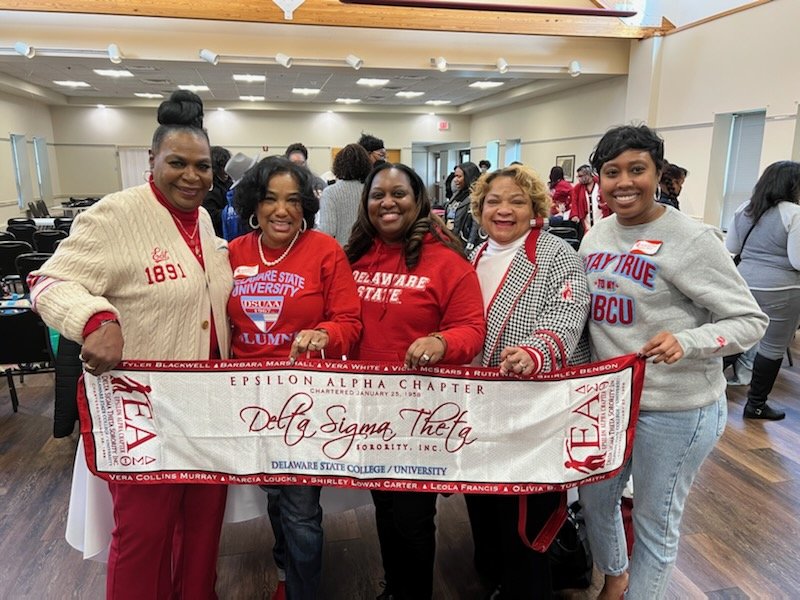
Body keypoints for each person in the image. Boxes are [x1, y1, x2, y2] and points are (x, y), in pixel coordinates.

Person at [28, 90, 234, 599]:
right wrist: (96, 318)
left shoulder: (205, 220)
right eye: (178, 163)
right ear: (151, 161)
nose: (192, 176)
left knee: (205, 527)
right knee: (144, 535)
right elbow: (48, 282)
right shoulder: (114, 216)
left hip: (208, 407)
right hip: (144, 413)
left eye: (202, 166)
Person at [577, 125, 768, 600]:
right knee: (596, 503)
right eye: (612, 172)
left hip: (676, 408)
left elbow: (750, 320)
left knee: (655, 522)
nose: (624, 182)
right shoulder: (596, 235)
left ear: (658, 173)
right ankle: (616, 576)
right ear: (598, 179)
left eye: (637, 169)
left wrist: (690, 340)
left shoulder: (693, 239)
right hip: (609, 403)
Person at [345, 162, 485, 600]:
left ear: (419, 200)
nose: (387, 202)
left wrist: (441, 343)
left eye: (399, 193)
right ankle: (395, 586)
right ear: (365, 204)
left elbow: (471, 328)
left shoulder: (447, 262)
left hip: (418, 414)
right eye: (377, 195)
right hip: (365, 410)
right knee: (383, 509)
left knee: (412, 516)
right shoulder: (352, 256)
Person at [229, 155, 362, 600]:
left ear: (306, 205)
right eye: (269, 199)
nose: (281, 210)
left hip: (305, 401)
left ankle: (303, 592)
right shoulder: (234, 252)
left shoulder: (325, 251)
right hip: (250, 401)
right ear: (254, 204)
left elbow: (349, 321)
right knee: (273, 494)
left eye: (292, 200)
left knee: (301, 507)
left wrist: (323, 334)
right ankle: (286, 570)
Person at [465, 163, 591, 599]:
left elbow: (567, 313)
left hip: (532, 408)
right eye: (494, 201)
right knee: (483, 499)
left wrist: (536, 351)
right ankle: (496, 577)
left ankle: (525, 589)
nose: (504, 210)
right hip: (480, 406)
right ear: (479, 208)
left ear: (535, 208)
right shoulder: (474, 254)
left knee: (523, 517)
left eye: (516, 201)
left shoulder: (556, 254)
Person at [726, 160, 800, 420]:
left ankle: (702, 387)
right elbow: (797, 260)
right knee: (772, 347)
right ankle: (755, 405)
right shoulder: (794, 213)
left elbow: (731, 247)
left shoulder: (745, 208)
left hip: (743, 284)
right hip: (782, 289)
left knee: (736, 338)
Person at [318, 142, 372, 245]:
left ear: (338, 165)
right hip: (369, 252)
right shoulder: (371, 190)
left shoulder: (330, 193)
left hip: (342, 252)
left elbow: (328, 230)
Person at [444, 161, 481, 246]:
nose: (455, 180)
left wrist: (469, 246)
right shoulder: (457, 194)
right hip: (451, 239)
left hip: (463, 243)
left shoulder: (476, 198)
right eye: (455, 176)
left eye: (459, 176)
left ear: (469, 177)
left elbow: (475, 226)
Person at [571, 163, 610, 236]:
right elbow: (574, 202)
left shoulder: (601, 184)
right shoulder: (577, 188)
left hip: (600, 218)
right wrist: (575, 215)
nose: (579, 179)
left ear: (588, 175)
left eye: (581, 176)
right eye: (578, 176)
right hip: (586, 221)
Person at [202, 145, 232, 236]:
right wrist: (229, 213)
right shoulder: (209, 187)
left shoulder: (229, 182)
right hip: (216, 232)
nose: (226, 170)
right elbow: (210, 214)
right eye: (223, 166)